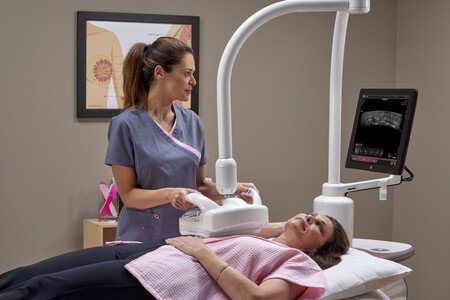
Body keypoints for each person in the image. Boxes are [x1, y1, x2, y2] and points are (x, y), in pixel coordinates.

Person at [105, 36, 256, 242]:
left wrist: (233, 189)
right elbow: (128, 195)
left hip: (188, 236)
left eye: (193, 74)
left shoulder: (192, 122)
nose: (193, 81)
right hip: (141, 238)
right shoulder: (124, 125)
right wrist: (168, 194)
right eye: (186, 74)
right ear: (160, 73)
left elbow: (199, 186)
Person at [0, 213, 349, 299]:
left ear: (318, 249)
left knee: (45, 288)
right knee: (24, 274)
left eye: (318, 225)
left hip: (163, 280)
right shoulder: (267, 234)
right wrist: (275, 228)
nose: (308, 218)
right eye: (310, 212)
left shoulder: (299, 263)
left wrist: (201, 251)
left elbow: (255, 297)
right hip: (152, 252)